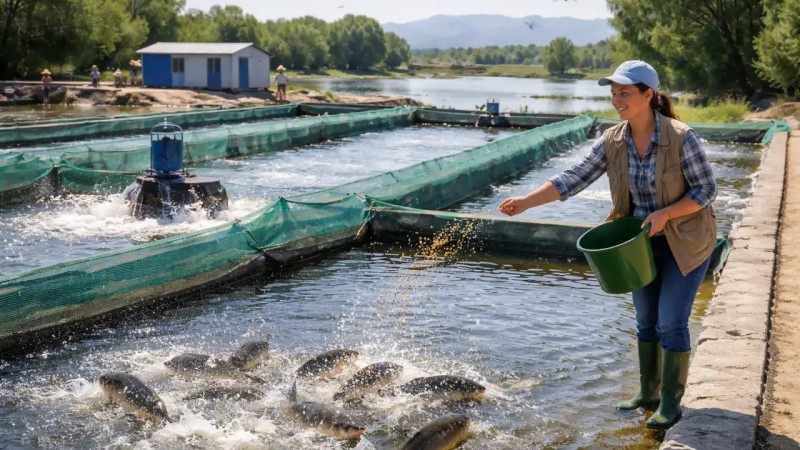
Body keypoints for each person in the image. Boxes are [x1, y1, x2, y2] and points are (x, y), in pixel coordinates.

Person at [499, 60, 717, 430]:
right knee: (646, 321)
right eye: (613, 93)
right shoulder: (614, 140)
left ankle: (670, 402)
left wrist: (666, 213)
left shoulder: (682, 137)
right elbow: (573, 178)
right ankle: (648, 392)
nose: (617, 99)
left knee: (671, 322)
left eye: (625, 92)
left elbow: (706, 190)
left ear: (648, 95)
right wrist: (524, 203)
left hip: (686, 243)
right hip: (639, 247)